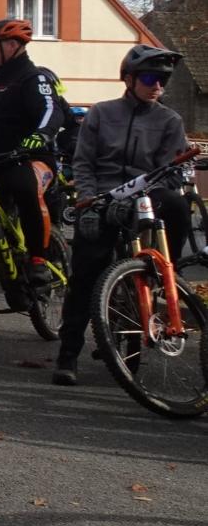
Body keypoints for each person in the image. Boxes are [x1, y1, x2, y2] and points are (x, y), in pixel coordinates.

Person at [52, 45, 190, 386]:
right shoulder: (101, 113)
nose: (157, 86)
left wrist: (148, 193)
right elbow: (84, 162)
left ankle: (164, 272)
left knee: (176, 205)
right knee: (85, 276)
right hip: (101, 199)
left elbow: (171, 171)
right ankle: (68, 355)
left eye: (163, 80)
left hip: (144, 199)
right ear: (128, 79)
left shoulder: (169, 120)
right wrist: (88, 201)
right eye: (150, 78)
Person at [0, 18, 67, 290]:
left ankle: (38, 258)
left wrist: (41, 135)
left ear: (11, 45)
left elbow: (51, 111)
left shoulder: (34, 78)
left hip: (28, 158)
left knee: (24, 186)